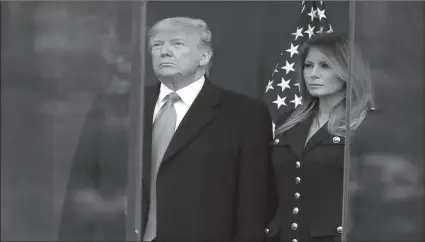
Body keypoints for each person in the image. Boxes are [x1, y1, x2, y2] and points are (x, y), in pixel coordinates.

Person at [59, 16, 275, 242]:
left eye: (177, 44)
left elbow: (253, 209)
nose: (164, 51)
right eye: (157, 45)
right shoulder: (115, 109)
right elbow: (80, 192)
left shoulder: (243, 115)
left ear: (204, 56)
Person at [266, 33, 374, 242]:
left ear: (347, 70)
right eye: (308, 65)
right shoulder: (288, 121)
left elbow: (372, 202)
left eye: (325, 66)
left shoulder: (364, 124)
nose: (313, 74)